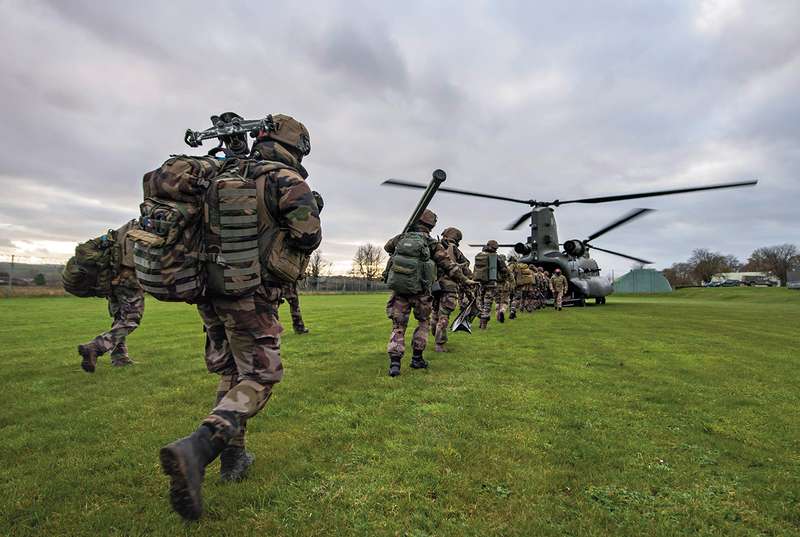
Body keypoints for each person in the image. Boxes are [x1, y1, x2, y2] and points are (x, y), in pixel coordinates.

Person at [159, 114, 321, 521]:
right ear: (295, 145)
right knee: (262, 375)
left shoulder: (221, 172)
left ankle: (235, 459)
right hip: (250, 293)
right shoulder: (284, 178)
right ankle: (198, 447)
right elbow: (309, 234)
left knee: (232, 371)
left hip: (206, 289)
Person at [383, 210, 472, 376]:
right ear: (431, 225)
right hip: (421, 293)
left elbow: (388, 247)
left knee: (398, 326)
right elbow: (449, 266)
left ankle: (395, 364)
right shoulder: (432, 243)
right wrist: (465, 280)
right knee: (423, 323)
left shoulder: (401, 238)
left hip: (400, 291)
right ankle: (417, 359)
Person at [77, 220, 144, 372]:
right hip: (128, 281)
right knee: (130, 319)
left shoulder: (117, 233)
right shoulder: (141, 231)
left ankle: (120, 358)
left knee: (119, 319)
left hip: (111, 281)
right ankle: (95, 347)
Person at [430, 227, 473, 352]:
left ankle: (434, 329)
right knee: (444, 315)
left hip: (434, 286)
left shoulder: (434, 246)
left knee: (434, 311)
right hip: (449, 287)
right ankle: (440, 344)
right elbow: (465, 266)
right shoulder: (454, 249)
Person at [474, 240, 510, 329]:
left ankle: (480, 319)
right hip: (491, 283)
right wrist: (504, 278)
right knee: (487, 303)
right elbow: (504, 270)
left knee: (481, 302)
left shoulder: (480, 255)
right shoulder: (496, 257)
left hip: (480, 283)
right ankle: (483, 325)